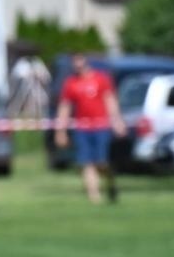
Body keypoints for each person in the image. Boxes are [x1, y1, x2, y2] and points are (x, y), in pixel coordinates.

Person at [54, 53, 127, 204]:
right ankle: (94, 196)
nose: (77, 64)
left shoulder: (101, 79)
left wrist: (117, 121)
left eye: (79, 60)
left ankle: (110, 181)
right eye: (74, 61)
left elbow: (110, 100)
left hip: (101, 127)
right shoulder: (71, 83)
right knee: (86, 162)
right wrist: (60, 131)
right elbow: (65, 106)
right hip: (82, 128)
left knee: (101, 162)